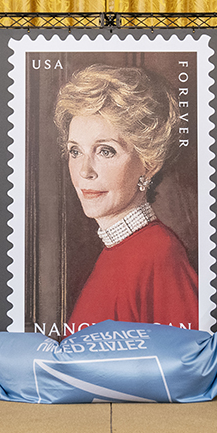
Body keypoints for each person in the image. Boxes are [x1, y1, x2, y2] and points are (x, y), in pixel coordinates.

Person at [54, 64, 198, 333]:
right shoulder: (117, 249)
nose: (85, 171)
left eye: (105, 151)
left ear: (149, 163)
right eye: (75, 151)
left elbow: (186, 362)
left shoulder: (158, 253)